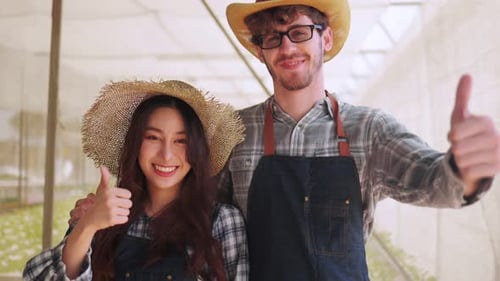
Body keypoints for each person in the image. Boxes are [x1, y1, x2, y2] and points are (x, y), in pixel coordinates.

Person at [68, 1, 500, 280]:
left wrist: (466, 168)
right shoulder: (233, 133)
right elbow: (184, 203)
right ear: (260, 50)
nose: (286, 47)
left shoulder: (369, 130)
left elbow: (432, 179)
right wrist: (99, 220)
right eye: (272, 38)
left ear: (325, 38)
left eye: (299, 32)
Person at [23, 80, 248, 280]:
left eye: (181, 141)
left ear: (197, 150)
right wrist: (88, 225)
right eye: (153, 137)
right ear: (135, 144)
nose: (166, 155)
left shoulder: (220, 221)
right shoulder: (104, 211)